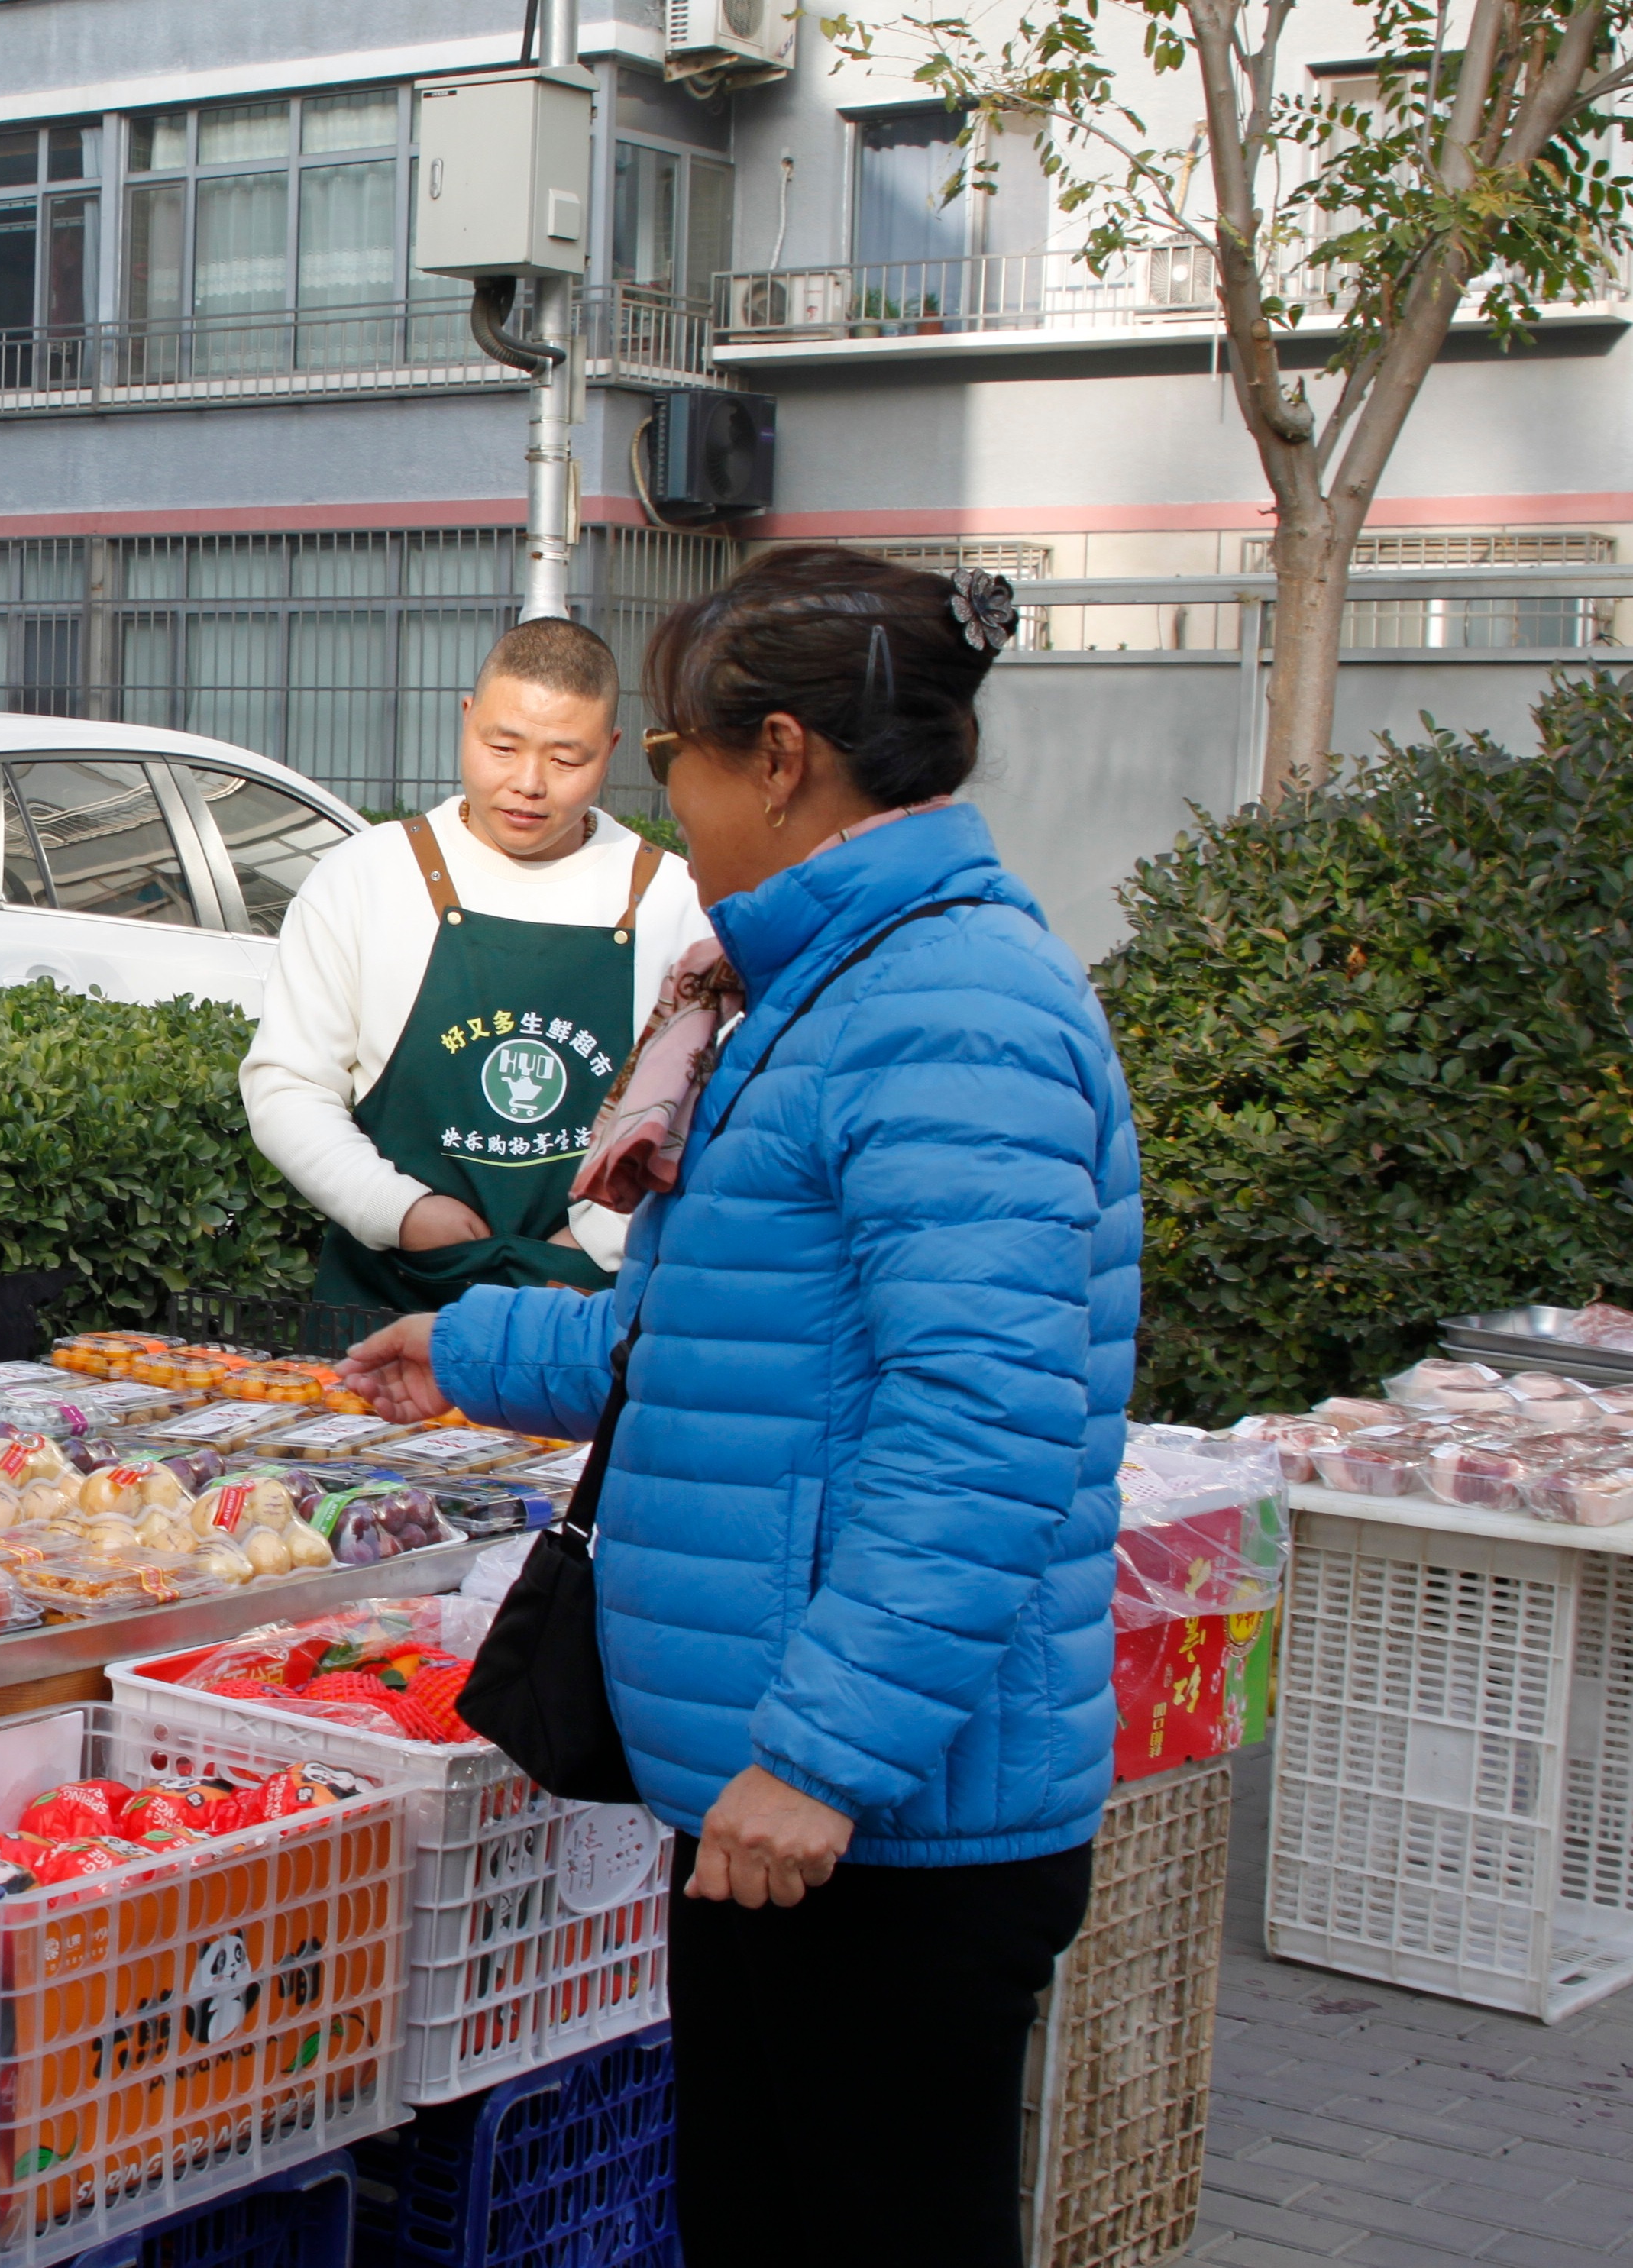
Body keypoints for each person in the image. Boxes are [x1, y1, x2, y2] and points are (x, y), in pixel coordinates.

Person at [338, 548, 1135, 2263]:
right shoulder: (827, 983)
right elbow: (715, 1340)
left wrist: (824, 1756)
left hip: (883, 1821)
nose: (664, 804)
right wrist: (472, 1353)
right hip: (778, 1783)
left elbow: (985, 1421)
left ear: (778, 758)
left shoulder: (949, 1008)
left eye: (670, 757)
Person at [241, 618, 707, 1307]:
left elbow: (700, 1112)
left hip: (588, 1305)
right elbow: (288, 1084)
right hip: (391, 1291)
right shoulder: (368, 876)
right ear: (467, 718)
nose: (529, 783)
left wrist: (603, 1236)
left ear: (611, 750)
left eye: (566, 760)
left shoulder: (675, 899)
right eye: (502, 747)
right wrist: (398, 1210)